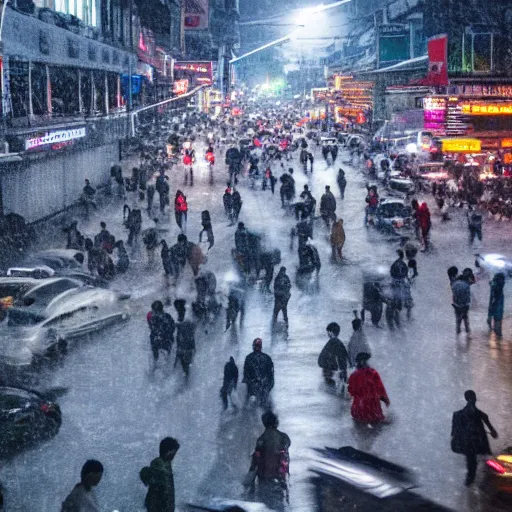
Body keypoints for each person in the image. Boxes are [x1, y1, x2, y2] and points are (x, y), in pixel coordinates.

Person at [451, 390, 498, 486]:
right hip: (477, 445)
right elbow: (493, 432)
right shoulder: (479, 414)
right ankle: (473, 483)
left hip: (468, 446)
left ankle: (470, 484)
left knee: (472, 467)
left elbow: (453, 433)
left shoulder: (458, 415)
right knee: (477, 465)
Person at [247, 411, 291, 511]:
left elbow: (256, 460)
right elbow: (287, 447)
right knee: (278, 504)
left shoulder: (261, 439)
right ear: (276, 422)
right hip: (278, 477)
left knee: (265, 504)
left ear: (264, 423)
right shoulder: (283, 437)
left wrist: (250, 475)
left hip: (264, 478)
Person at [140, 437, 180, 512]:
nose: (175, 454)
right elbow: (163, 495)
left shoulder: (165, 466)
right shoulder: (160, 468)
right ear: (169, 452)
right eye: (174, 452)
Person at [348, 352, 389, 424]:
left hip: (358, 411)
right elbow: (380, 388)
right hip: (373, 410)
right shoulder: (373, 373)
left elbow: (351, 391)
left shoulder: (353, 375)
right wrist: (385, 400)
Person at [243, 338, 274, 408]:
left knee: (249, 406)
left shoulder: (249, 358)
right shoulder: (267, 358)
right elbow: (271, 375)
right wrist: (269, 387)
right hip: (263, 386)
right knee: (265, 405)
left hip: (255, 386)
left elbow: (246, 375)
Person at [318, 322, 348, 389]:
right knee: (340, 387)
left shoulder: (331, 342)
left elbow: (323, 357)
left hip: (330, 370)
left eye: (328, 332)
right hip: (339, 369)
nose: (327, 334)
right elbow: (345, 356)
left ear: (330, 332)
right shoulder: (340, 343)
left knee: (330, 387)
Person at [147, 301, 175, 370]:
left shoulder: (152, 318)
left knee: (155, 354)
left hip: (158, 340)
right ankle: (166, 364)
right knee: (167, 354)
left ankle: (155, 366)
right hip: (166, 340)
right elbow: (172, 327)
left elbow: (152, 328)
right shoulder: (167, 316)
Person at [174, 299, 196, 378]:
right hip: (186, 347)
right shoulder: (185, 322)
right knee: (185, 363)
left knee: (185, 363)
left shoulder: (184, 322)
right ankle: (186, 373)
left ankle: (186, 374)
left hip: (185, 347)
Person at [487, 272, 505, 337]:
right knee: (498, 326)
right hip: (498, 307)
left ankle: (496, 336)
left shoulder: (494, 286)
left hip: (496, 306)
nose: (503, 282)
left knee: (496, 326)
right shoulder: (497, 288)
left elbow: (491, 298)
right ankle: (498, 339)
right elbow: (491, 298)